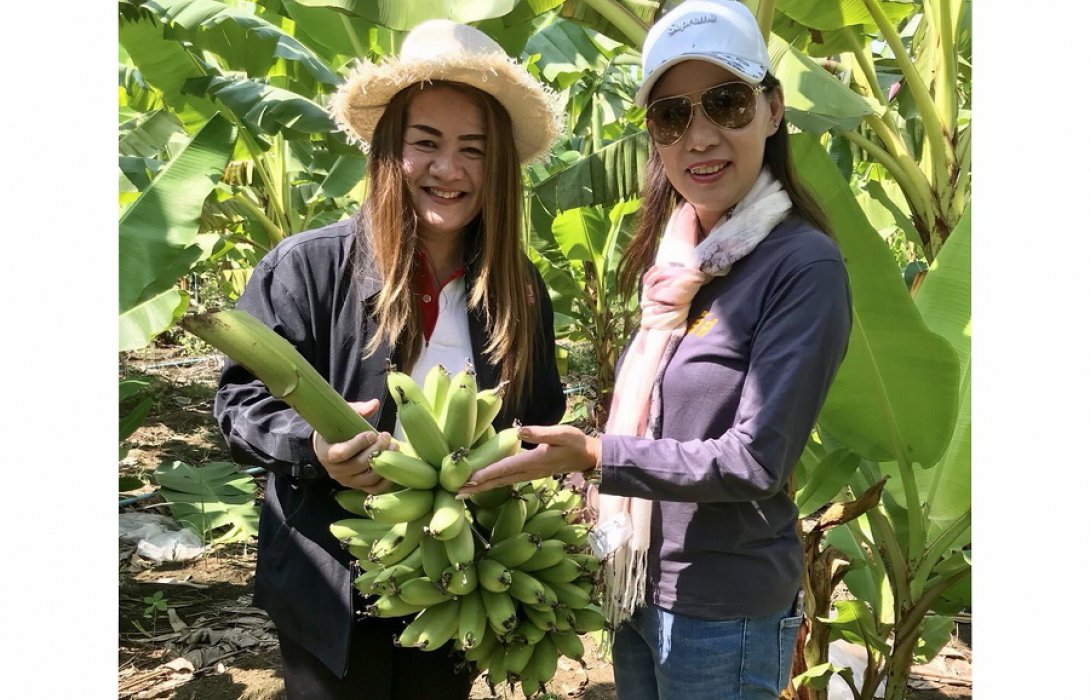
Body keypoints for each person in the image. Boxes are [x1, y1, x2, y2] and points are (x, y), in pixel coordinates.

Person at [458, 1, 852, 698]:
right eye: (673, 116)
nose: (699, 136)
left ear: (772, 110)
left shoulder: (801, 266)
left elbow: (755, 460)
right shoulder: (679, 262)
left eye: (725, 103)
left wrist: (596, 454)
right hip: (636, 583)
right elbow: (661, 420)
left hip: (721, 609)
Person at [213, 19, 566, 700]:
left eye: (474, 149)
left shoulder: (518, 288)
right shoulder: (307, 269)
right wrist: (310, 446)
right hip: (331, 585)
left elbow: (537, 415)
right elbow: (239, 407)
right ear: (388, 150)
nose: (449, 169)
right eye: (426, 143)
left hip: (457, 579)